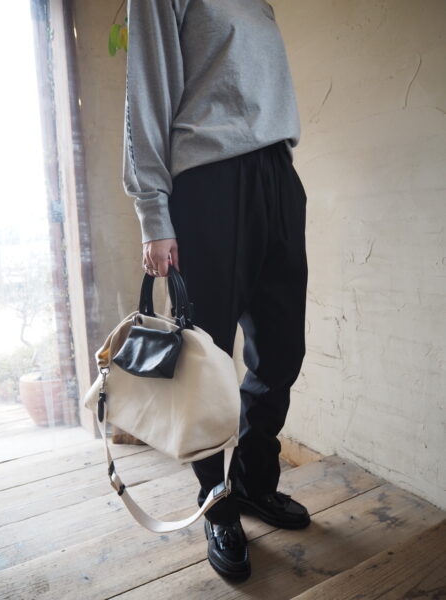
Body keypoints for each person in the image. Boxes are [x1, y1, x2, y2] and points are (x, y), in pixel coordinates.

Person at [123, 0, 310, 581]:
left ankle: (254, 480)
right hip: (208, 182)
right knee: (204, 363)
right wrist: (154, 215)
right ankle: (217, 502)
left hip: (277, 173)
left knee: (281, 351)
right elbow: (146, 93)